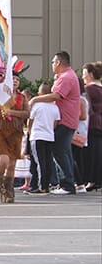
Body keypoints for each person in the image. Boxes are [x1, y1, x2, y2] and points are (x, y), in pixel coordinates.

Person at [29, 51, 80, 195]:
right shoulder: (66, 76)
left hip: (65, 120)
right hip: (68, 119)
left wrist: (35, 99)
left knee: (59, 151)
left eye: (53, 62)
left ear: (58, 62)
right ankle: (68, 183)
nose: (52, 65)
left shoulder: (66, 77)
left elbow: (57, 95)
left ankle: (67, 184)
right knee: (65, 152)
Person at [0, 72, 30, 203]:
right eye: (12, 79)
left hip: (15, 133)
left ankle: (8, 190)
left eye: (17, 79)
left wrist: (12, 112)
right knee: (3, 160)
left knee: (12, 164)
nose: (15, 81)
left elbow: (27, 113)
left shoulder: (22, 97)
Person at [27, 83, 59, 194]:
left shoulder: (37, 106)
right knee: (48, 161)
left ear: (40, 94)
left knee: (39, 162)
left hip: (37, 136)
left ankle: (41, 186)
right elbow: (55, 123)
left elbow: (30, 121)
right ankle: (47, 184)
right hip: (49, 136)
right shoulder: (55, 107)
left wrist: (30, 133)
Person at [82, 62, 102, 191]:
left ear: (90, 74)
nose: (83, 77)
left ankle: (92, 180)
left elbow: (87, 107)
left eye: (84, 74)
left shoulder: (89, 89)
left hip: (93, 122)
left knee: (91, 153)